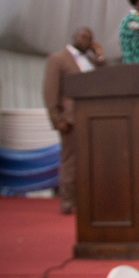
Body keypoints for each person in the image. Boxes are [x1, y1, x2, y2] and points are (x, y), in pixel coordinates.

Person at [42, 27, 106, 214]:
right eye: (84, 36)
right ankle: (68, 200)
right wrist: (56, 119)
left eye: (90, 38)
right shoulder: (58, 59)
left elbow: (104, 78)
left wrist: (100, 57)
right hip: (70, 119)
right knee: (71, 161)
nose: (87, 40)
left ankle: (84, 198)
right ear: (74, 37)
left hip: (91, 118)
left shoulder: (89, 61)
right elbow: (50, 91)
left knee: (90, 161)